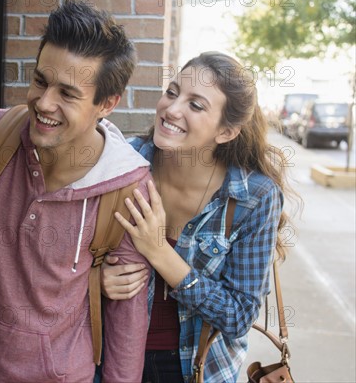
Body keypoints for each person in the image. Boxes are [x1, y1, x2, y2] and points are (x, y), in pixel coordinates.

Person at [0, 0, 152, 382]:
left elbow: (127, 316)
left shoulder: (129, 185)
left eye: (68, 94)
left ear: (107, 103)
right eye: (40, 81)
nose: (43, 103)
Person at [100, 51, 297, 382]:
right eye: (173, 92)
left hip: (196, 369)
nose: (172, 110)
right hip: (111, 355)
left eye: (196, 105)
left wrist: (160, 253)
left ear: (226, 132)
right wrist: (96, 281)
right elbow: (68, 261)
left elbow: (238, 316)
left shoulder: (253, 197)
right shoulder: (123, 162)